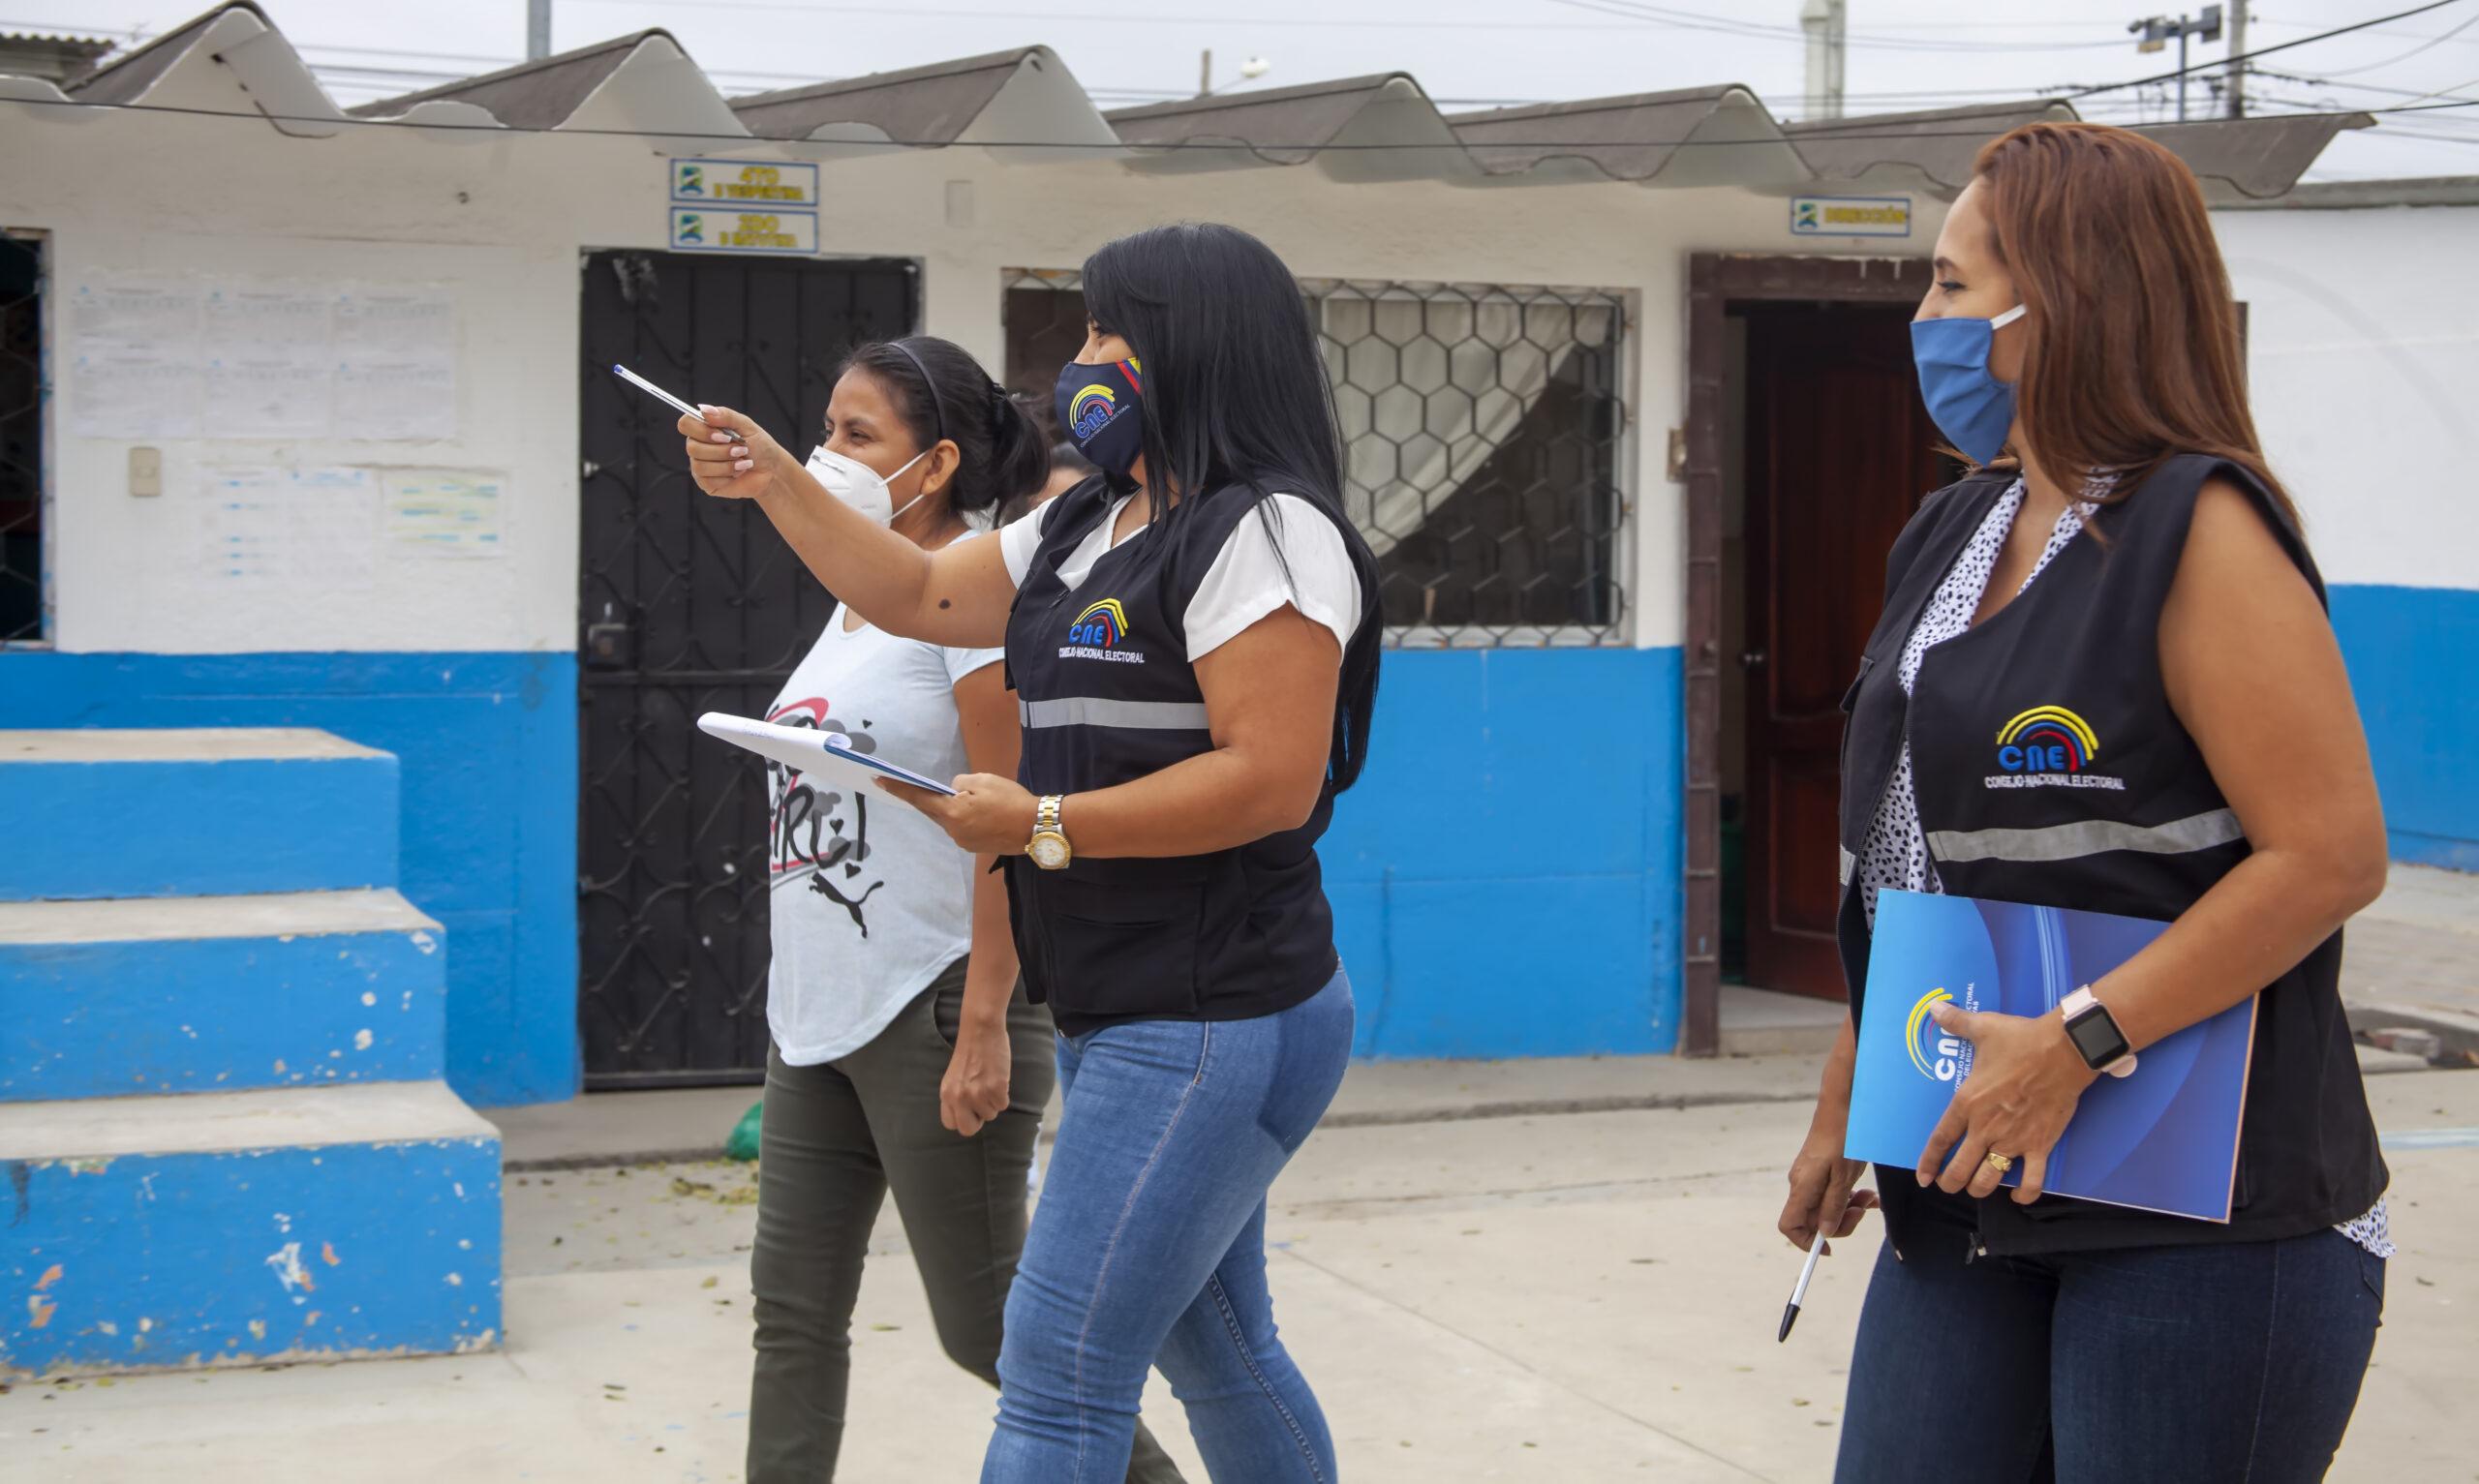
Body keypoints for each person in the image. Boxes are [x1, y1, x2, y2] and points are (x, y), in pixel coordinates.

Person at [683, 222, 1381, 1484]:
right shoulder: (1082, 528)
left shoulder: (1265, 534)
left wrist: (1044, 823)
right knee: (1217, 1351)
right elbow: (913, 593)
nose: (1086, 360)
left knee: (1056, 1375)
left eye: (1115, 331)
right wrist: (776, 479)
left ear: (1197, 347)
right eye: (1087, 330)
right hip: (1134, 997)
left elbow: (1270, 780)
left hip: (1211, 1003)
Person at [1779, 122, 2392, 1483]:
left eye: (1950, 284)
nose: (1925, 318)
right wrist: (1849, 1097)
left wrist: (2077, 1040)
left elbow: (2331, 854)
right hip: (1974, 1185)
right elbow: (1902, 854)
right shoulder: (1954, 529)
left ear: (2056, 301)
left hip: (2205, 1218)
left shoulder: (2200, 529)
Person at [742, 335, 1185, 1484]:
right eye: (823, 427)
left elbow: (1010, 822)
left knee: (989, 1330)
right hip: (817, 1014)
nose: (822, 453)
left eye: (854, 436)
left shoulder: (968, 615)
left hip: (936, 1003)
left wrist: (986, 1017)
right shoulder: (851, 605)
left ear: (932, 463)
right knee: (789, 1319)